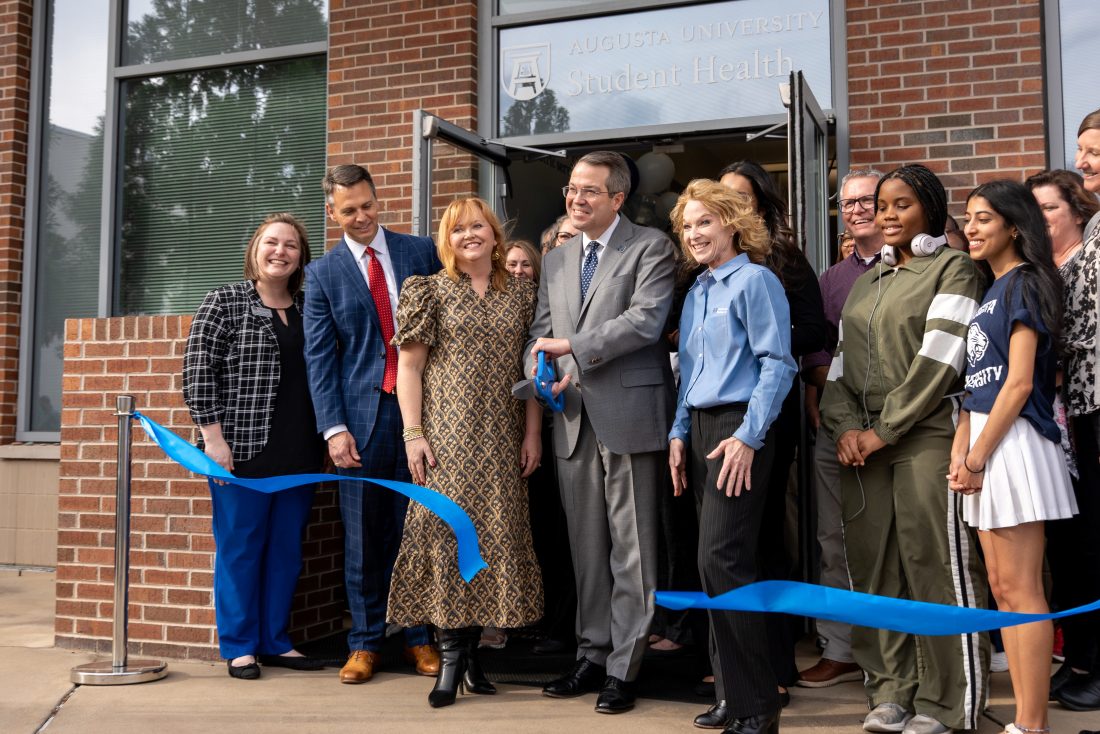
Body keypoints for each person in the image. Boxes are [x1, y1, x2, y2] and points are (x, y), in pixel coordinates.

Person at [819, 163, 989, 734]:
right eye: (882, 205)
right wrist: (844, 427)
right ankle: (890, 692)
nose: (887, 215)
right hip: (862, 447)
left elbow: (939, 362)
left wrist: (883, 430)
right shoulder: (867, 283)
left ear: (931, 212)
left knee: (931, 565)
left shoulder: (954, 268)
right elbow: (839, 370)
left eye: (901, 206)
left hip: (923, 437)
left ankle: (946, 703)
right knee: (873, 570)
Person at [526, 150, 677, 715]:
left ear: (617, 198)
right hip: (572, 420)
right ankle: (591, 654)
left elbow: (646, 320)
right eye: (571, 189)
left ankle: (625, 666)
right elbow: (539, 333)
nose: (576, 198)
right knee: (587, 550)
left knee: (633, 550)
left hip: (630, 416)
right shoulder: (558, 260)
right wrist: (540, 375)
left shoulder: (652, 246)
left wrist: (573, 350)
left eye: (589, 191)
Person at [386, 197, 544, 708]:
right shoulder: (427, 290)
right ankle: (451, 658)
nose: (469, 236)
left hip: (502, 435)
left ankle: (474, 655)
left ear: (496, 236)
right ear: (446, 242)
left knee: (494, 538)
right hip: (446, 440)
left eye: (478, 226)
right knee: (449, 534)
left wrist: (532, 433)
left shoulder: (522, 295)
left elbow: (532, 376)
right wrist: (413, 433)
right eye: (457, 230)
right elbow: (409, 369)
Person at [303, 164, 442, 684]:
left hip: (422, 415)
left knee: (418, 530)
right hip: (359, 422)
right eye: (349, 210)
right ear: (331, 212)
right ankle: (364, 643)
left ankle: (419, 638)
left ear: (377, 199)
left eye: (368, 205)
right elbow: (320, 358)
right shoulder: (323, 273)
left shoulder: (421, 252)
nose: (362, 217)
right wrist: (333, 428)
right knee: (362, 537)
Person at [668, 178, 796, 734]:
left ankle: (758, 706)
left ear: (733, 224)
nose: (694, 233)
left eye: (705, 222)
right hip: (698, 429)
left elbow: (779, 364)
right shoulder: (697, 290)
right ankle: (731, 693)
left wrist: (748, 436)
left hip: (738, 429)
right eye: (687, 225)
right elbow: (689, 374)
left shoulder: (756, 280)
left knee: (725, 560)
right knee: (709, 564)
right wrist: (678, 433)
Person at [951, 179, 1077, 734]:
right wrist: (964, 450)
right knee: (1001, 588)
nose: (971, 228)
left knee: (1021, 586)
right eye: (968, 219)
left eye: (983, 218)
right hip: (985, 439)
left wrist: (976, 456)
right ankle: (1026, 721)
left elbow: (1020, 383)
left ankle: (1032, 723)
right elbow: (976, 386)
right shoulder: (990, 290)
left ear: (1014, 226)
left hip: (1015, 443)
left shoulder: (1025, 283)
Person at [183, 213, 325, 679]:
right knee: (241, 547)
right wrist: (213, 439)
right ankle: (240, 645)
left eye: (290, 245)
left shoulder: (309, 307)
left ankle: (274, 640)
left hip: (300, 450)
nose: (280, 251)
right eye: (272, 242)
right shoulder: (224, 301)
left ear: (301, 257)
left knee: (285, 550)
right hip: (240, 450)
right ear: (255, 248)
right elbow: (197, 373)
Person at [718, 160, 827, 702]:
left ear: (760, 204)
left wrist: (761, 330)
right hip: (714, 420)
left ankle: (777, 662)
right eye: (723, 197)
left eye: (741, 197)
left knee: (765, 540)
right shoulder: (705, 264)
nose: (731, 205)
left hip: (770, 412)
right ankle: (734, 666)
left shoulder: (784, 259)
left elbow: (816, 328)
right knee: (725, 545)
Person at [799, 168, 885, 689]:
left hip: (893, 429)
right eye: (847, 202)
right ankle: (840, 648)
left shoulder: (920, 268)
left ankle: (895, 656)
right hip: (836, 423)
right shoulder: (831, 279)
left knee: (890, 544)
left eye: (866, 200)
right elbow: (817, 350)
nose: (855, 210)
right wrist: (820, 396)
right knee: (834, 538)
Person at [1025, 168, 1100, 708]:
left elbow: (1078, 337)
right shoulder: (1034, 271)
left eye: (1050, 208)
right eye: (1035, 210)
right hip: (1048, 427)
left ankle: (1094, 667)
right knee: (1067, 550)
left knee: (1093, 544)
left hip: (1086, 414)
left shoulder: (1088, 262)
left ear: (1077, 211)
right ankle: (1077, 659)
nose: (1041, 218)